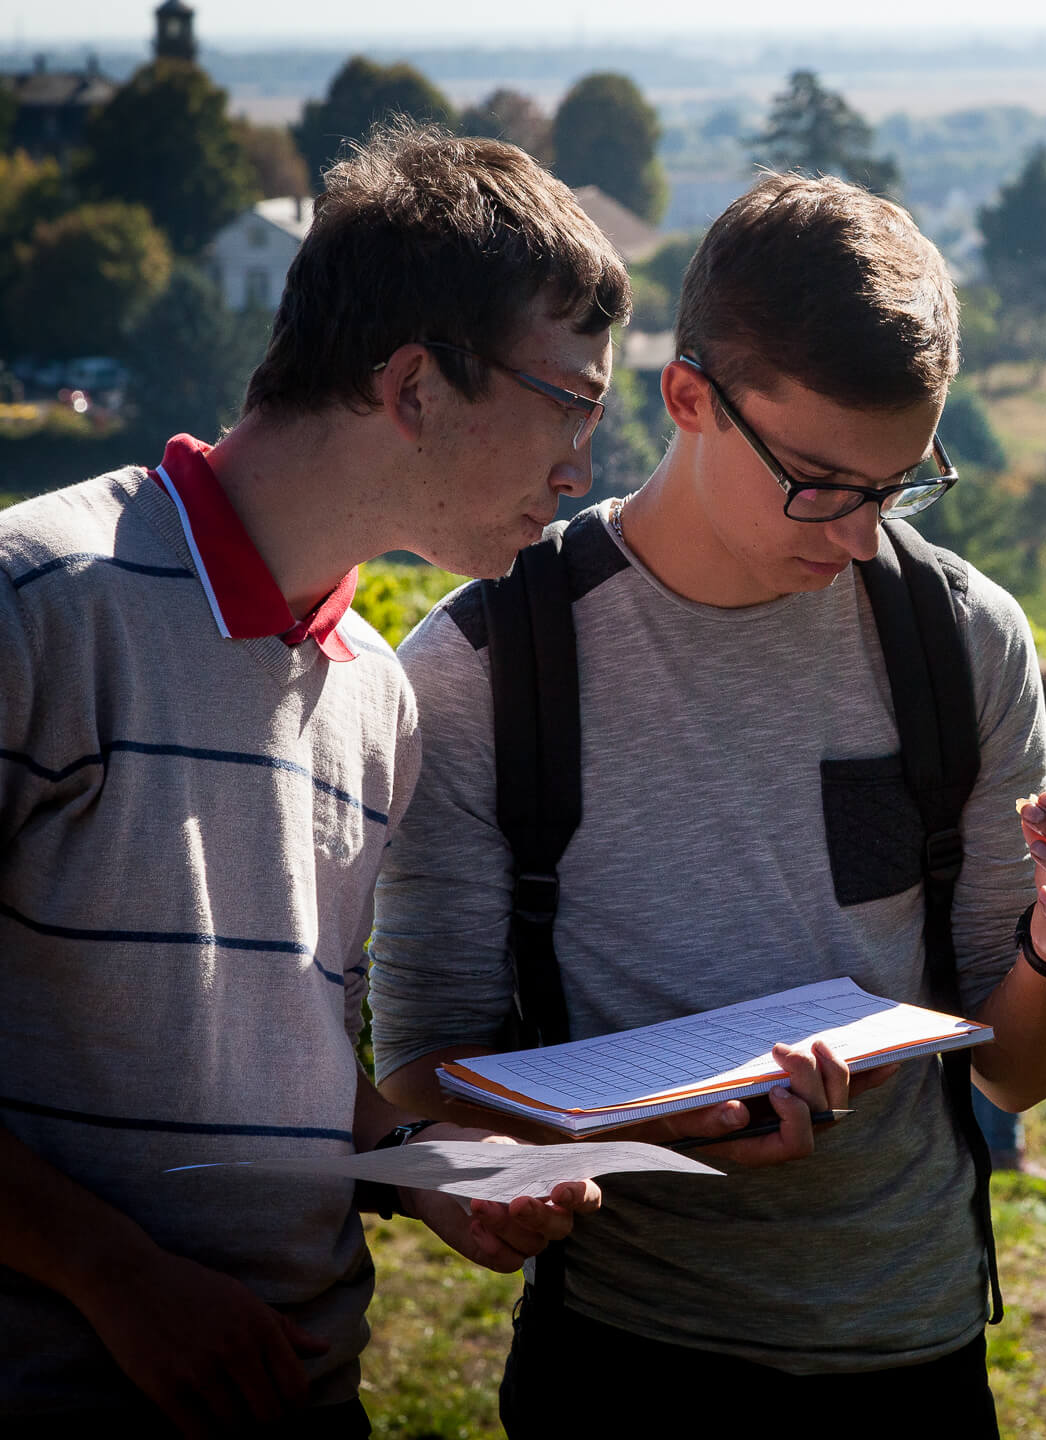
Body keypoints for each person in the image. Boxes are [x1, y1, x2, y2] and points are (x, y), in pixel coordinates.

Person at [368, 173, 1046, 1433]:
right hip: (625, 1360)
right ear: (689, 399)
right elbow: (421, 1068)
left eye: (898, 486)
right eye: (824, 483)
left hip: (923, 1347)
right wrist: (655, 1131)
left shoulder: (962, 642)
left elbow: (1014, 1074)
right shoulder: (488, 665)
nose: (859, 537)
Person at [0, 124, 629, 1437]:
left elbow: (282, 1049)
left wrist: (426, 1170)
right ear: (413, 389)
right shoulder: (38, 609)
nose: (583, 472)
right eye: (570, 404)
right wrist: (117, 1280)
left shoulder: (373, 695)